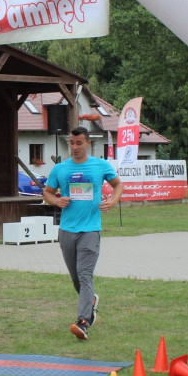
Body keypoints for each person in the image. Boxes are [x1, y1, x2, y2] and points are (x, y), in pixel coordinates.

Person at [42, 126, 122, 340]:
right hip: (67, 230)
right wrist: (57, 201)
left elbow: (117, 185)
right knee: (76, 278)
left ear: (88, 143)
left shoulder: (100, 166)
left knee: (85, 275)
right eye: (72, 143)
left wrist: (113, 201)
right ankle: (91, 301)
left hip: (90, 230)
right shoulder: (60, 169)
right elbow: (47, 193)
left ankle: (83, 322)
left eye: (79, 143)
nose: (75, 147)